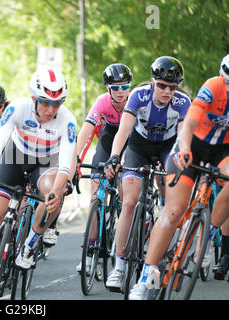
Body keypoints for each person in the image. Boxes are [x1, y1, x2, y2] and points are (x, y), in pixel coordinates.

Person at [0, 67, 77, 300]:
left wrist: (56, 191)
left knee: (54, 191)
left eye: (57, 103)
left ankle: (31, 242)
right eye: (45, 103)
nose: (51, 109)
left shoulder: (67, 120)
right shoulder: (17, 109)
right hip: (14, 157)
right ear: (34, 99)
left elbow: (64, 165)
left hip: (46, 163)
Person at [129, 54, 229, 299]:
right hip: (192, 144)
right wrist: (184, 148)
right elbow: (188, 124)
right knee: (174, 210)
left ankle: (209, 233)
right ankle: (145, 276)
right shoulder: (212, 87)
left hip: (222, 151)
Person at [104, 56, 191, 292]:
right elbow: (123, 131)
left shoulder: (182, 102)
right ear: (153, 82)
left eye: (172, 87)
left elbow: (183, 136)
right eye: (162, 85)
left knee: (169, 193)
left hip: (166, 147)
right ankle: (119, 265)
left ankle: (163, 224)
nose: (167, 91)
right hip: (138, 147)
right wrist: (114, 156)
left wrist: (182, 156)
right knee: (130, 201)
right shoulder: (138, 96)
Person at [75, 63, 133, 272]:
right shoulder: (102, 102)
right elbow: (86, 131)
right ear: (107, 88)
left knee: (126, 194)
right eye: (115, 87)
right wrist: (74, 159)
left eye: (124, 87)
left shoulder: (133, 101)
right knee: (95, 196)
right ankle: (90, 252)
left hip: (130, 145)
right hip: (107, 144)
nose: (120, 92)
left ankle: (125, 241)